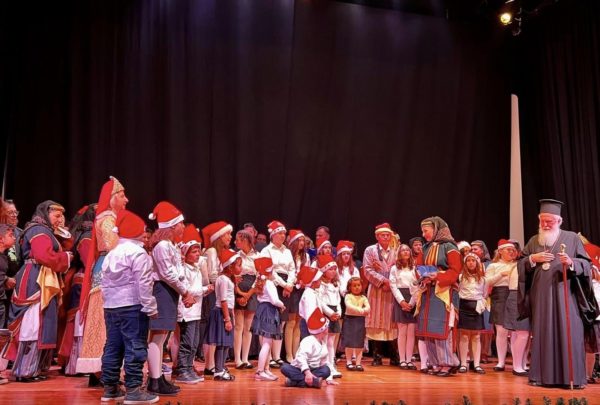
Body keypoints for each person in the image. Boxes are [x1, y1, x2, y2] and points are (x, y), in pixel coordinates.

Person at [518, 199, 592, 388]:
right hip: (541, 297)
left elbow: (587, 265)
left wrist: (572, 262)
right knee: (543, 334)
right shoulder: (534, 240)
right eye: (542, 220)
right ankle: (541, 377)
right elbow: (520, 264)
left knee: (570, 333)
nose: (545, 224)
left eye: (549, 221)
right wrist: (532, 259)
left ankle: (571, 379)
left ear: (559, 221)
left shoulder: (572, 238)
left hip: (566, 295)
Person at [6, 201, 73, 382]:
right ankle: (25, 370)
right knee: (33, 322)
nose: (60, 219)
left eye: (62, 216)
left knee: (41, 323)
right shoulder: (38, 230)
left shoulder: (46, 230)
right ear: (45, 214)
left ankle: (35, 368)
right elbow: (43, 255)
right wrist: (65, 257)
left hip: (42, 276)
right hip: (35, 279)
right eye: (56, 215)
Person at [99, 209, 158, 403]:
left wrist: (108, 304)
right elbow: (144, 284)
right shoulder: (139, 253)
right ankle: (133, 390)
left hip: (111, 307)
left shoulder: (111, 254)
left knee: (112, 346)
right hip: (132, 306)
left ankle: (110, 388)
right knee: (135, 346)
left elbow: (104, 284)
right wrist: (150, 307)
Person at [77, 176, 128, 383]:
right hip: (109, 269)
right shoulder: (107, 219)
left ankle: (103, 370)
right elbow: (111, 244)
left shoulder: (111, 218)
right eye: (122, 195)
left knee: (106, 321)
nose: (126, 200)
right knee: (104, 322)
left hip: (110, 267)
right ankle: (102, 370)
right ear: (112, 197)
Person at [146, 201, 192, 396]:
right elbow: (167, 274)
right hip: (162, 291)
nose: (183, 226)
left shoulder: (171, 246)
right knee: (157, 336)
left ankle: (157, 378)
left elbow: (177, 273)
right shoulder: (163, 246)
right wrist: (185, 292)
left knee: (162, 336)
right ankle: (154, 380)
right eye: (181, 223)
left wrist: (184, 290)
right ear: (172, 225)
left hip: (169, 291)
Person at [415, 216, 461, 377]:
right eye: (422, 231)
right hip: (428, 292)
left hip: (444, 292)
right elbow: (418, 267)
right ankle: (435, 362)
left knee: (443, 328)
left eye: (426, 231)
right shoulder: (426, 247)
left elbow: (455, 271)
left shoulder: (450, 247)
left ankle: (447, 363)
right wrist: (423, 276)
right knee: (428, 329)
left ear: (436, 229)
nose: (424, 234)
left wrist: (438, 276)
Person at [173, 224, 213, 384]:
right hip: (187, 312)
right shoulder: (183, 269)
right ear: (185, 253)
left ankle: (189, 368)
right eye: (194, 252)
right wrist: (204, 289)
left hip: (195, 311)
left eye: (198, 251)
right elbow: (187, 289)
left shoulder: (195, 269)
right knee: (187, 342)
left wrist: (205, 290)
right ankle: (182, 370)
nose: (197, 254)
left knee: (194, 343)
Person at [59, 204, 96, 375]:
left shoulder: (87, 235)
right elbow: (90, 263)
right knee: (80, 322)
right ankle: (75, 365)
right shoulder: (87, 237)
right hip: (84, 282)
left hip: (84, 280)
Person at [457, 253, 506, 374]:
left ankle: (476, 364)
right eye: (468, 261)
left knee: (476, 336)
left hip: (476, 307)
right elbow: (457, 291)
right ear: (465, 263)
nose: (471, 263)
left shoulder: (483, 279)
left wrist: (481, 304)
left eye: (473, 260)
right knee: (464, 335)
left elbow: (484, 294)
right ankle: (463, 363)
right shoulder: (461, 277)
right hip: (464, 306)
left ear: (477, 263)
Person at [362, 223, 399, 366]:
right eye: (383, 235)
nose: (385, 237)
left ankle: (394, 356)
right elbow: (367, 269)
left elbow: (400, 268)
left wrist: (391, 283)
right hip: (377, 290)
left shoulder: (396, 250)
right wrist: (383, 281)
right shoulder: (370, 250)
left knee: (392, 321)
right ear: (377, 236)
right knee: (376, 320)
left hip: (392, 290)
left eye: (388, 235)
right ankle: (376, 356)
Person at [260, 220, 295, 368]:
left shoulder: (287, 251)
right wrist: (284, 284)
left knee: (282, 321)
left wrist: (290, 284)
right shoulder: (267, 250)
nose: (283, 236)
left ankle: (277, 355)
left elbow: (292, 269)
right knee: (272, 321)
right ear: (273, 235)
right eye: (280, 233)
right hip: (274, 284)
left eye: (284, 233)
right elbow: (270, 270)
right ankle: (269, 356)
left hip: (287, 285)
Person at [200, 221, 233, 378]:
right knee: (212, 330)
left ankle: (212, 364)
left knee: (214, 330)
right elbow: (212, 274)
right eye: (227, 234)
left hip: (217, 290)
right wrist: (224, 279)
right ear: (219, 236)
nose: (230, 237)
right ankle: (210, 364)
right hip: (213, 292)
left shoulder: (220, 252)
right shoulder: (212, 251)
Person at [207, 249, 241, 381]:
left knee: (226, 343)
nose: (240, 268)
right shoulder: (222, 279)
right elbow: (223, 300)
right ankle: (218, 370)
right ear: (230, 266)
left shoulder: (228, 279)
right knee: (221, 343)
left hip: (227, 312)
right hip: (221, 313)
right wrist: (227, 319)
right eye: (238, 265)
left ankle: (221, 368)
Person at [484, 239, 517, 373]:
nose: (511, 252)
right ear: (500, 251)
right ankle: (501, 362)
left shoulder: (517, 265)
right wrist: (500, 274)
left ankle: (517, 362)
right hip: (500, 296)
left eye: (513, 250)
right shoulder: (494, 266)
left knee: (515, 332)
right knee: (501, 331)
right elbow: (487, 282)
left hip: (514, 295)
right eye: (508, 250)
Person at [250, 257, 285, 381]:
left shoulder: (261, 282)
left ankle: (266, 369)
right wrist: (282, 305)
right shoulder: (268, 283)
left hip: (263, 309)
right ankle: (260, 371)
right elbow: (274, 300)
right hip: (268, 311)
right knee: (266, 343)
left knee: (268, 343)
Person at [281, 307, 334, 388]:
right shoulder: (308, 340)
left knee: (327, 370)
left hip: (313, 370)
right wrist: (307, 373)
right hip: (300, 369)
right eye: (327, 327)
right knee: (284, 367)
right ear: (322, 330)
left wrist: (329, 379)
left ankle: (293, 382)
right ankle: (314, 381)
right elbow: (301, 357)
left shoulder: (323, 344)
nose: (328, 329)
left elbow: (324, 363)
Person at [389, 244, 419, 370]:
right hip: (400, 298)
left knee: (411, 332)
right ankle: (402, 360)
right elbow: (393, 285)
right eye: (403, 250)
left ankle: (409, 360)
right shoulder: (394, 268)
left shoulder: (415, 268)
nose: (406, 252)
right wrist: (401, 301)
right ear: (399, 253)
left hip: (413, 298)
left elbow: (417, 285)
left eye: (407, 250)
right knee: (402, 331)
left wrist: (412, 303)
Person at [232, 229, 258, 370]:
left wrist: (248, 294)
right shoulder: (236, 256)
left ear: (246, 240)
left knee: (248, 327)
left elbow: (260, 277)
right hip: (239, 289)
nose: (235, 241)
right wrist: (240, 293)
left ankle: (245, 358)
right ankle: (237, 359)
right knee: (238, 326)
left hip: (252, 291)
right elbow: (232, 275)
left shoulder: (257, 256)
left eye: (238, 239)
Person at [285, 229, 309, 362]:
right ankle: (288, 354)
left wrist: (305, 280)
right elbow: (290, 271)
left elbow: (308, 271)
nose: (302, 243)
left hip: (302, 290)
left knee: (298, 323)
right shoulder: (289, 255)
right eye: (299, 240)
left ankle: (296, 353)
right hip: (292, 289)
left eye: (303, 240)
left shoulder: (306, 257)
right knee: (291, 322)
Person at [317, 255, 342, 378]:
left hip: (335, 312)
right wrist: (330, 313)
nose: (333, 271)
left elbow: (338, 300)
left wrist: (339, 312)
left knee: (331, 342)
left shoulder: (335, 284)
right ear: (324, 270)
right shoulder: (321, 285)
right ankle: (325, 365)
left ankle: (331, 365)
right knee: (325, 341)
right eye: (330, 269)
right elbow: (320, 301)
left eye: (334, 269)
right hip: (326, 313)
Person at [342, 277, 370, 371]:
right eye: (354, 286)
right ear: (349, 287)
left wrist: (364, 310)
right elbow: (349, 306)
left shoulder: (363, 297)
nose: (357, 287)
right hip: (350, 320)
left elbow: (368, 308)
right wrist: (361, 310)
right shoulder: (348, 296)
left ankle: (358, 363)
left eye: (359, 285)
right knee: (349, 342)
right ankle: (349, 362)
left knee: (359, 342)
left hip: (360, 321)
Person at [0, 224, 17, 328]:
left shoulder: (4, 256)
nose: (14, 238)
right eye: (11, 235)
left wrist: (5, 280)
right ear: (1, 239)